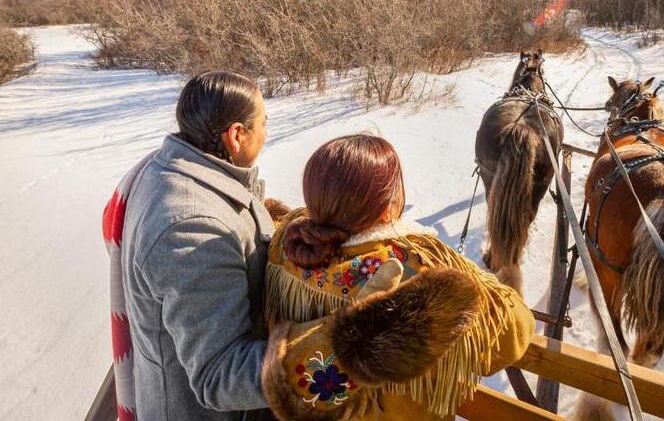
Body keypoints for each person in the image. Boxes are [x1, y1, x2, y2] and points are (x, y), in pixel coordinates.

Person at [116, 72, 473, 421]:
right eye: (264, 124)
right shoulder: (192, 229)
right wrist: (353, 348)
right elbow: (220, 377)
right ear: (236, 135)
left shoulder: (171, 171)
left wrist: (268, 226)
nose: (266, 133)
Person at [263, 134, 536, 420]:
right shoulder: (416, 266)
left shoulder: (286, 248)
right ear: (385, 210)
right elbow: (513, 333)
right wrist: (488, 284)